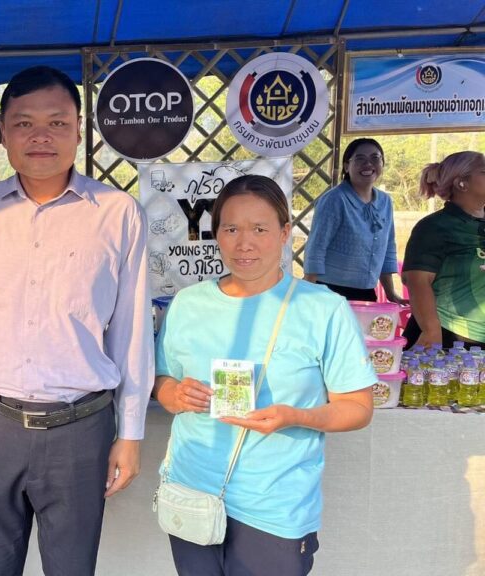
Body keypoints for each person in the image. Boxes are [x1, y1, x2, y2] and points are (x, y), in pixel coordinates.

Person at [0, 65, 152, 576]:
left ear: (79, 130)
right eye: (24, 123)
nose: (41, 137)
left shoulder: (118, 214)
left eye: (57, 123)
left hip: (81, 428)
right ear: (3, 133)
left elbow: (131, 332)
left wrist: (131, 433)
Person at [152, 174, 375, 575]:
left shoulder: (323, 309)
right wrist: (173, 395)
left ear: (285, 233)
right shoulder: (187, 304)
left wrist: (296, 416)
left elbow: (358, 407)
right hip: (192, 492)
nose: (244, 243)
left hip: (274, 506)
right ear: (216, 234)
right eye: (231, 229)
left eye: (259, 229)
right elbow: (162, 379)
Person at [304, 138, 405, 303]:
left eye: (375, 158)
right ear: (346, 166)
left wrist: (390, 293)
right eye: (360, 159)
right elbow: (316, 247)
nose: (368, 164)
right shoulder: (335, 199)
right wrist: (308, 291)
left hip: (366, 293)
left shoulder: (385, 201)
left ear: (382, 163)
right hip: (329, 292)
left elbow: (388, 248)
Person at [403, 151, 485, 348]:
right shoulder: (435, 227)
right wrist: (431, 331)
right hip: (450, 337)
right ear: (461, 183)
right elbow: (417, 280)